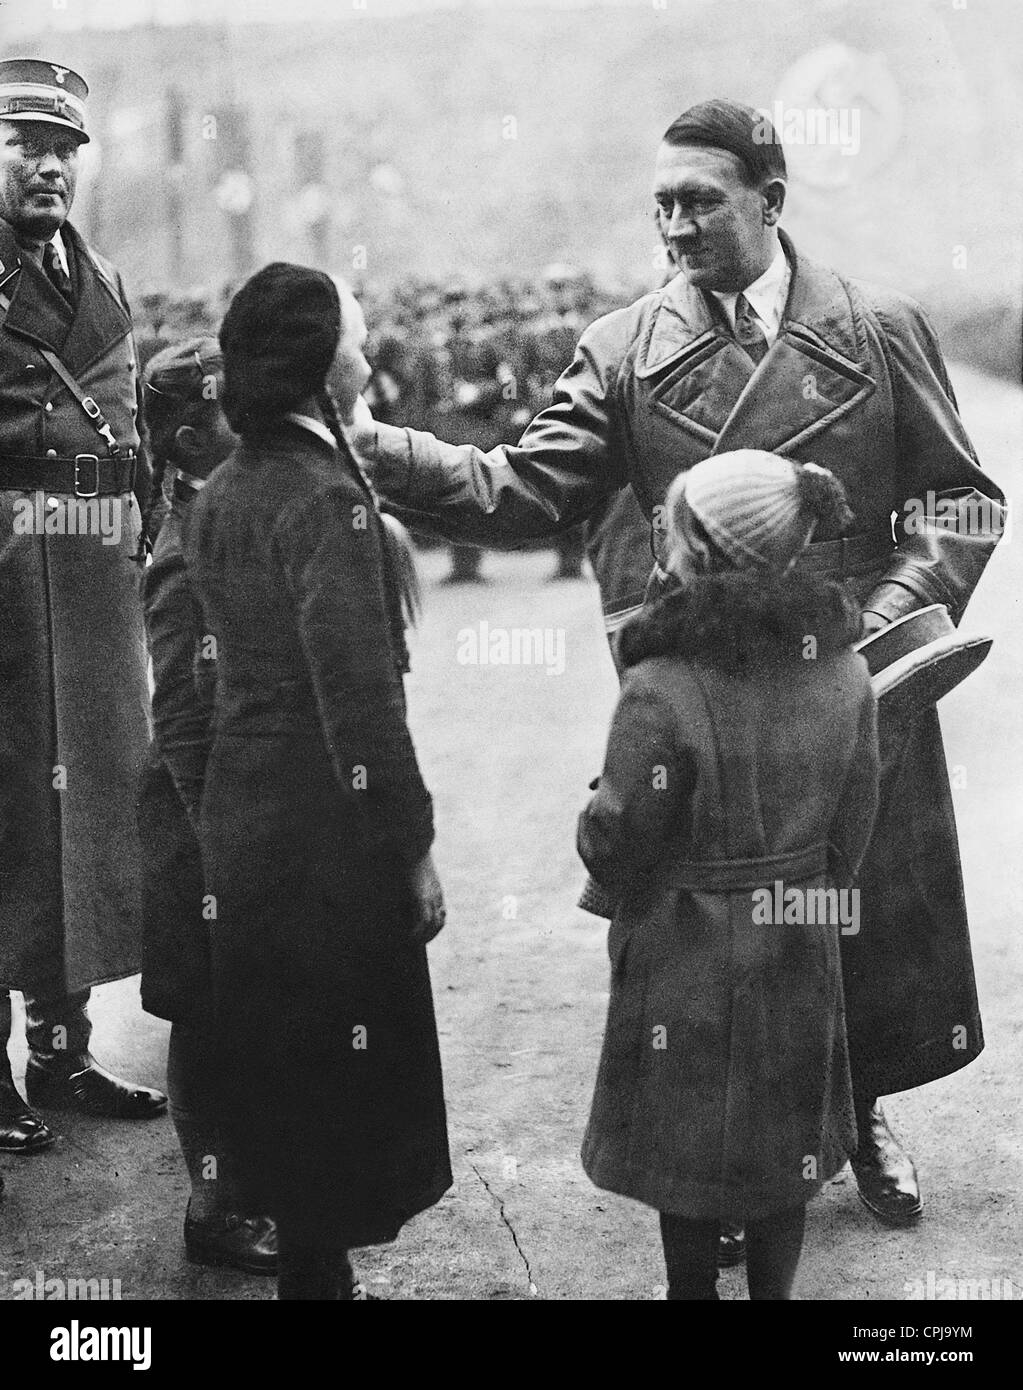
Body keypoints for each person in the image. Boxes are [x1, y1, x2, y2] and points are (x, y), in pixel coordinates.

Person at [350, 98, 1004, 1238]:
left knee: (857, 906)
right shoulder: (622, 350)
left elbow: (961, 500)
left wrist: (893, 622)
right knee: (723, 936)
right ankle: (736, 1162)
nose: (676, 226)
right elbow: (523, 491)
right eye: (661, 205)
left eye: (700, 201)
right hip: (706, 698)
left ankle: (865, 1113)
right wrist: (379, 453)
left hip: (855, 677)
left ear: (771, 200)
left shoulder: (877, 327)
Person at [182, 264, 451, 1301]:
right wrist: (412, 848)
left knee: (282, 1077)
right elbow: (362, 710)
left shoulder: (226, 491)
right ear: (315, 365)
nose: (369, 352)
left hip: (249, 823)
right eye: (355, 336)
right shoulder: (327, 501)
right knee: (340, 1093)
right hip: (324, 841)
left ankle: (311, 1270)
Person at [578, 451, 879, 1299]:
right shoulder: (843, 670)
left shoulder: (659, 684)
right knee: (786, 1149)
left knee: (687, 1150)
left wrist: (599, 812)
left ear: (697, 554)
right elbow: (852, 829)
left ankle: (691, 1294)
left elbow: (618, 839)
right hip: (797, 943)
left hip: (684, 951)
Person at [0, 58, 166, 1163]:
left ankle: (62, 1048)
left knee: (87, 809)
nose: (49, 165)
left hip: (93, 585)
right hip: (6, 582)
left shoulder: (96, 274)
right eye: (25, 144)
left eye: (64, 150)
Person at [137, 338, 276, 1274]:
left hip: (239, 811)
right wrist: (221, 846)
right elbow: (183, 723)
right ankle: (215, 1208)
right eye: (233, 412)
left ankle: (251, 1188)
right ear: (190, 441)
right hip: (202, 821)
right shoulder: (185, 557)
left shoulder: (230, 521)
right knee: (209, 1014)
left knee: (247, 1009)